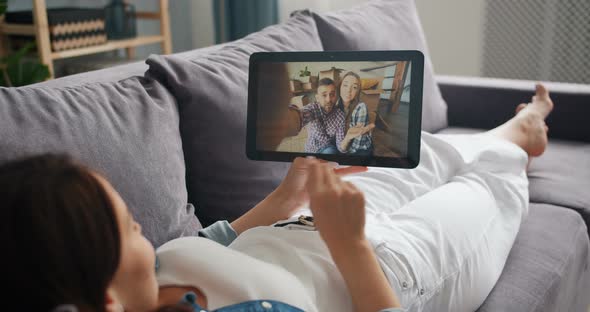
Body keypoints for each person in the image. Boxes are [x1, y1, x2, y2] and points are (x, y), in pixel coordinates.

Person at [2, 83, 554, 312]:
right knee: (487, 187)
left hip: (316, 226)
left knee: (427, 152)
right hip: (394, 270)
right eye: (129, 229)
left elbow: (216, 241)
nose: (142, 228)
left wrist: (284, 200)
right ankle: (523, 137)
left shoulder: (153, 281)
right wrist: (351, 245)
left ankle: (514, 130)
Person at [336, 71, 375, 155]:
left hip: (360, 149)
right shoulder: (336, 105)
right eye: (345, 85)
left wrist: (344, 152)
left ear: (357, 91)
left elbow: (358, 144)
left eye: (354, 87)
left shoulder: (361, 108)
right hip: (344, 145)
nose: (348, 90)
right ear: (340, 87)